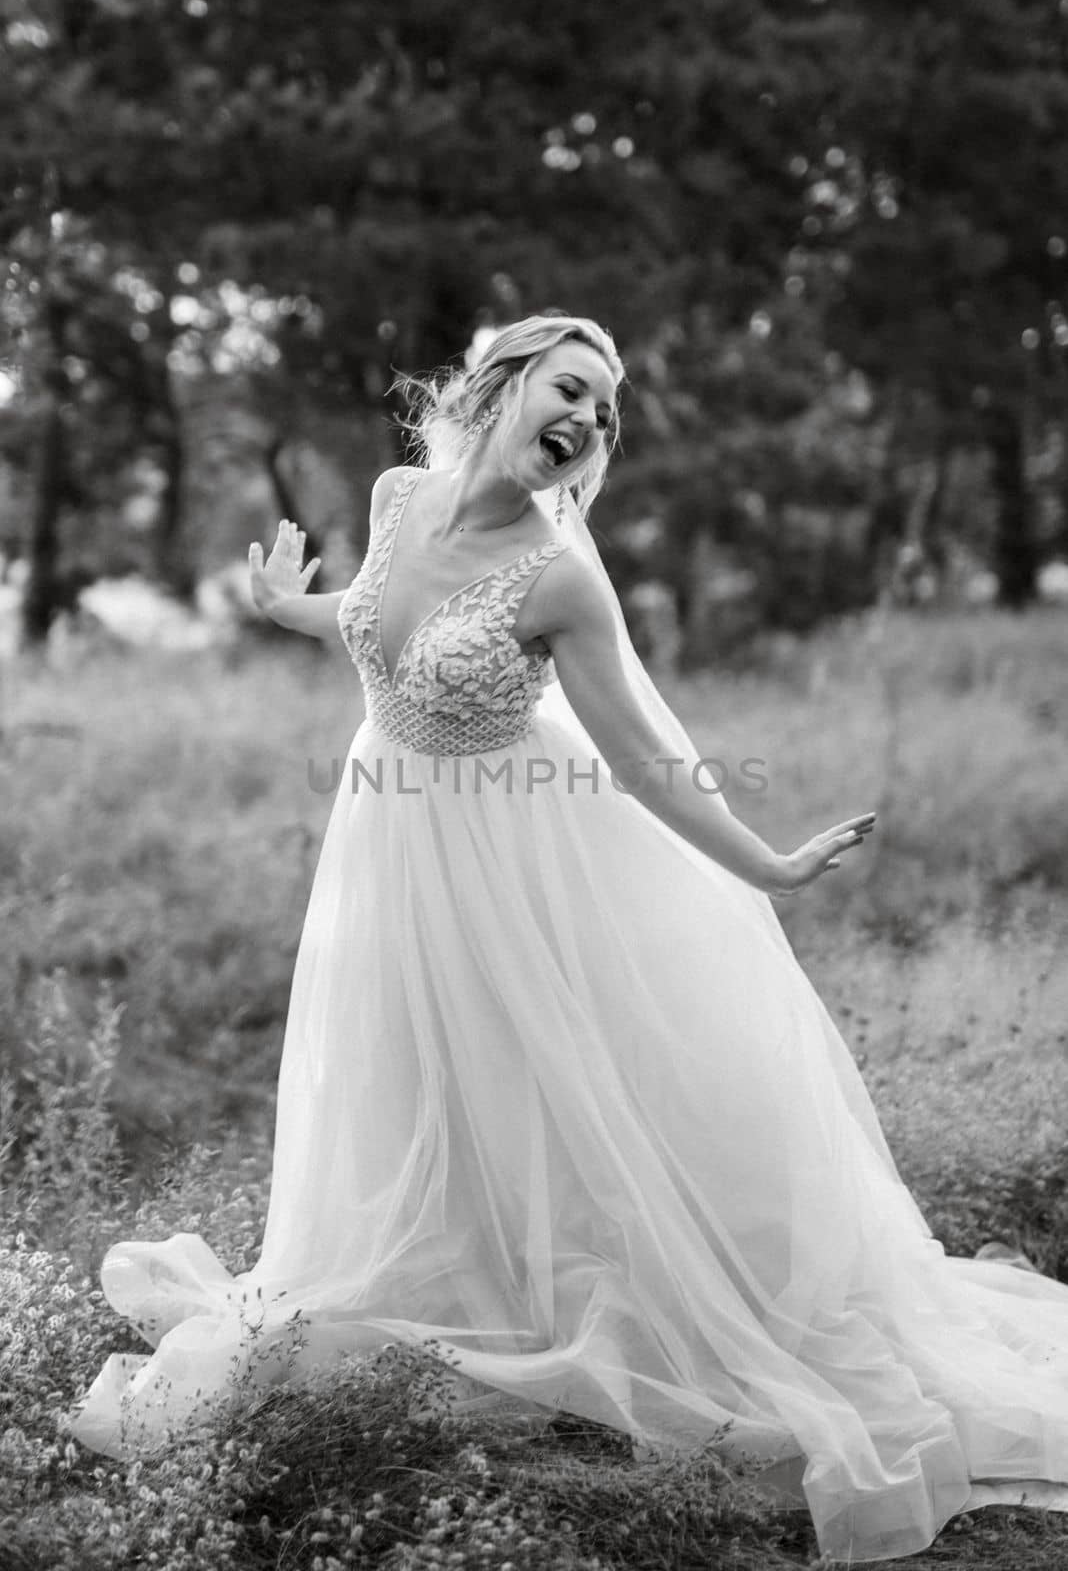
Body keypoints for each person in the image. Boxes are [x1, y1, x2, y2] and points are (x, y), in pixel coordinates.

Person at [72, 314, 1068, 1564]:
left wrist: (770, 861)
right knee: (418, 1075)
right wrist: (290, 608)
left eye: (606, 411)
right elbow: (380, 626)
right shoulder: (399, 498)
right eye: (575, 389)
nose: (592, 422)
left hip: (524, 856)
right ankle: (475, 1280)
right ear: (503, 385)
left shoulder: (562, 576)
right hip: (390, 846)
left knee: (569, 1081)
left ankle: (643, 1301)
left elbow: (647, 758)